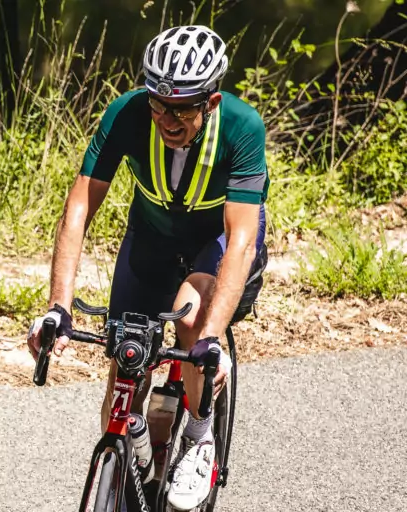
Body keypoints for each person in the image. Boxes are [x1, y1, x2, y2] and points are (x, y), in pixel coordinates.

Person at [26, 24, 269, 511]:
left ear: (211, 102)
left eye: (182, 109)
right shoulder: (127, 113)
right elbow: (79, 207)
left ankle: (199, 435)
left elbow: (241, 239)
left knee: (190, 319)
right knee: (126, 361)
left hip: (217, 244)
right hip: (153, 238)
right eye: (158, 104)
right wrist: (57, 307)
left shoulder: (243, 127)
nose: (166, 119)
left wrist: (211, 339)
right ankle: (123, 467)